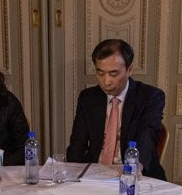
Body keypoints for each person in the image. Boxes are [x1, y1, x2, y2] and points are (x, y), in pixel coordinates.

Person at [66, 39, 166, 180]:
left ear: (129, 69)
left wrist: (137, 166)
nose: (106, 81)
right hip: (95, 174)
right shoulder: (88, 98)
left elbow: (147, 136)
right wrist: (73, 175)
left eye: (113, 74)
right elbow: (78, 143)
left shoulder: (150, 97)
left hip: (134, 174)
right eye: (100, 73)